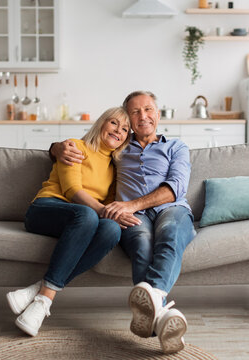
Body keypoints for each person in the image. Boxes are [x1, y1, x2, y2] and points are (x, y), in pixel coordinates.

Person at [51, 91, 195, 354]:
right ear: (127, 119)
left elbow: (175, 188)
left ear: (158, 114)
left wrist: (131, 204)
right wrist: (57, 147)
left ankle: (155, 302)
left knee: (170, 233)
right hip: (133, 218)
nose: (143, 116)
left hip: (170, 209)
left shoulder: (176, 147)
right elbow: (86, 147)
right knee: (141, 243)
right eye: (135, 112)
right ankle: (162, 319)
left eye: (148, 109)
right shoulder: (117, 148)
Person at [6, 107, 132, 337]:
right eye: (114, 123)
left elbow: (109, 205)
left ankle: (39, 291)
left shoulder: (114, 169)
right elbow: (72, 190)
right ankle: (44, 301)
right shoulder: (75, 146)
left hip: (82, 222)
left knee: (112, 229)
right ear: (101, 123)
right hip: (45, 209)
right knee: (87, 215)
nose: (118, 131)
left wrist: (116, 215)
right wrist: (103, 210)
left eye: (124, 129)